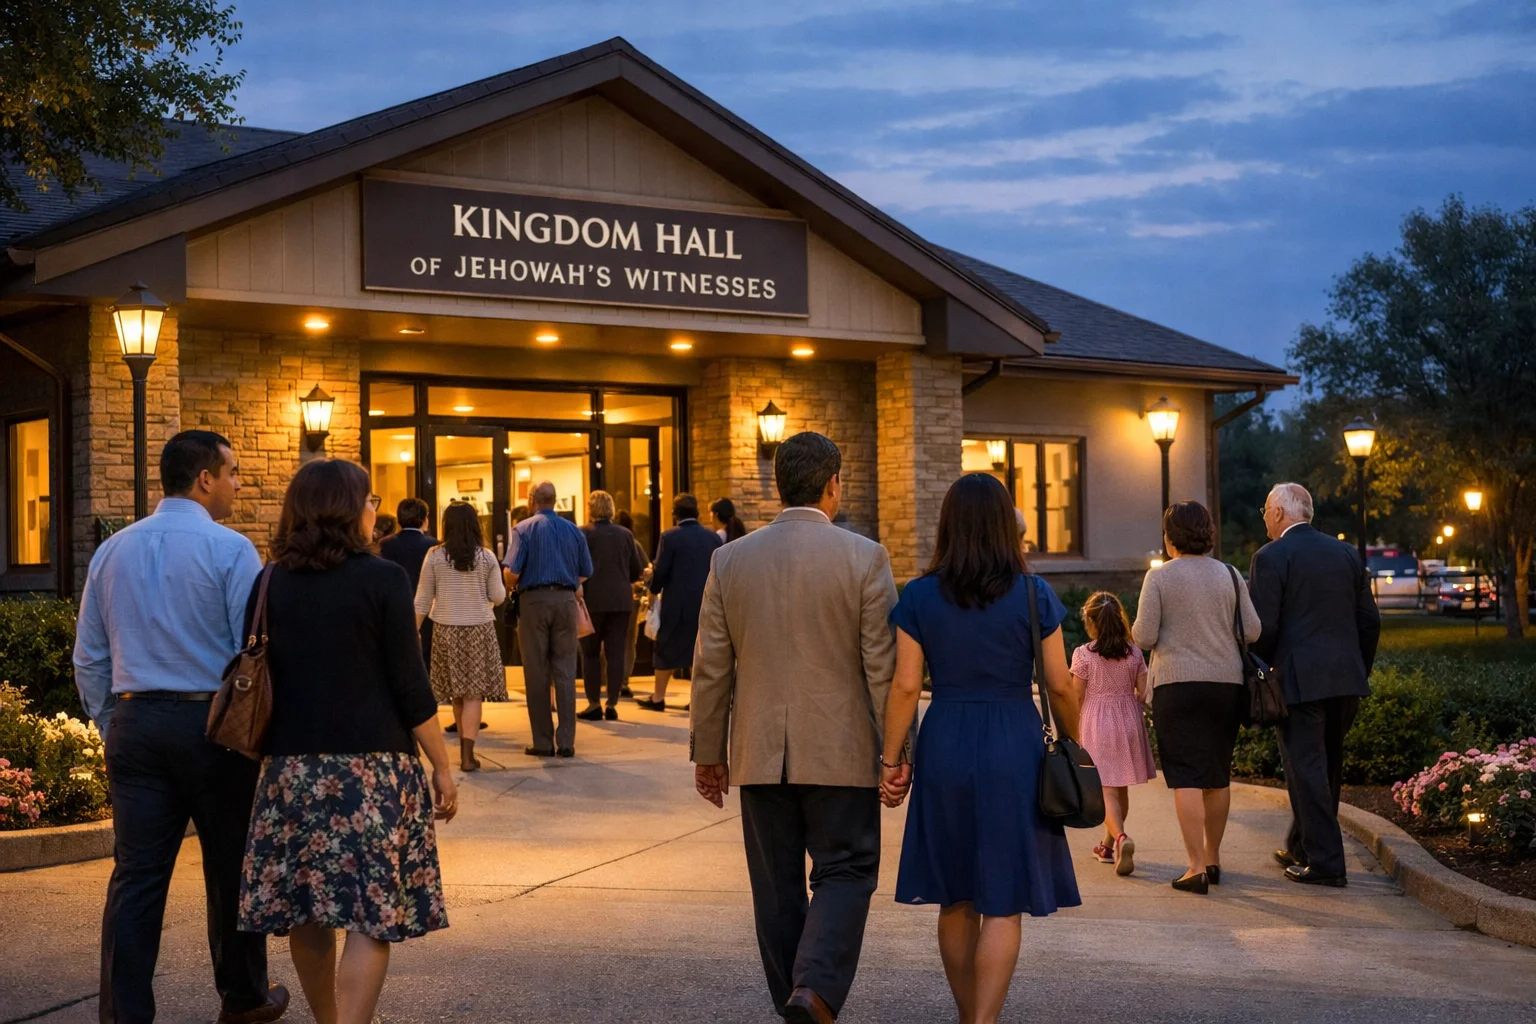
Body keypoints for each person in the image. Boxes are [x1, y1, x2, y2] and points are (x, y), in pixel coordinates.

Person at [73, 430, 288, 1024]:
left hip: (136, 722)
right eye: (234, 473)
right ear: (204, 479)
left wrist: (113, 720)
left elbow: (88, 655)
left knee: (136, 876)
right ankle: (244, 998)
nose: (239, 484)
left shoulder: (113, 550)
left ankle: (124, 1015)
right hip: (213, 725)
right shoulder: (231, 551)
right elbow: (251, 648)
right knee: (229, 867)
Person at [237, 458, 456, 1024]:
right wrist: (442, 764)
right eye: (370, 500)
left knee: (307, 912)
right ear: (349, 508)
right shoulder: (383, 579)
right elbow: (411, 685)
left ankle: (328, 1020)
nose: (374, 511)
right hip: (372, 770)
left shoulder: (269, 582)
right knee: (367, 914)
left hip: (290, 770)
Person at [690, 432, 897, 1024]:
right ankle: (814, 991)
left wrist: (709, 752)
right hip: (843, 749)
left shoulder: (730, 559)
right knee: (848, 869)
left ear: (780, 484)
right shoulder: (865, 557)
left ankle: (799, 1001)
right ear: (834, 484)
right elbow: (881, 667)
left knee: (777, 890)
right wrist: (895, 750)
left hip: (758, 751)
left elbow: (711, 667)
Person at [880, 473, 1082, 1024]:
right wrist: (1075, 741)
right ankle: (982, 1022)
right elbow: (1060, 683)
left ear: (948, 526)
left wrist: (892, 759)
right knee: (1003, 897)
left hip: (945, 738)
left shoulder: (919, 595)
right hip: (1014, 742)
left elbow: (904, 685)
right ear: (1002, 527)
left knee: (955, 894)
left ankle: (966, 1012)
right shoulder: (1034, 594)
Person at [1250, 482, 1381, 886]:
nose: (1265, 520)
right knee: (1326, 767)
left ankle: (1326, 863)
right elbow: (1370, 620)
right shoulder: (1346, 553)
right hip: (1345, 678)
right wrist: (1358, 666)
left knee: (1305, 769)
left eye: (1265, 512)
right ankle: (1302, 845)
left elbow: (1264, 627)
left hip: (1299, 679)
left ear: (1277, 513)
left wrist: (1264, 668)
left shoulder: (1271, 556)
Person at [1132, 501, 1260, 894]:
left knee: (1186, 775)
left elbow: (1144, 636)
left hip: (1177, 685)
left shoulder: (1159, 578)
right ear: (1208, 533)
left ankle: (1194, 867)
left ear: (1170, 538)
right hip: (1226, 685)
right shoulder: (1230, 574)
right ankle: (1214, 858)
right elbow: (1252, 630)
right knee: (1217, 774)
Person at [415, 502, 508, 771]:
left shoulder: (434, 555)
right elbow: (498, 597)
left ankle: (464, 755)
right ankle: (468, 755)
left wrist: (413, 631)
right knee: (473, 695)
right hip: (479, 629)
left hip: (446, 630)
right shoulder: (487, 557)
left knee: (457, 693)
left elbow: (422, 599)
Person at [1072, 591, 1155, 876]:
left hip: (1097, 722)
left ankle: (1120, 838)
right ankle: (1108, 846)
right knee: (1120, 787)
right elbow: (1144, 693)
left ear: (1091, 624)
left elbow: (1076, 697)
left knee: (1105, 788)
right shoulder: (1133, 653)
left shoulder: (1083, 654)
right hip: (1128, 721)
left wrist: (1071, 732)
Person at [508, 481, 592, 758]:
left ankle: (543, 741)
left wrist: (509, 585)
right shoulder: (574, 531)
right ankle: (567, 741)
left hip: (533, 601)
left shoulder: (523, 529)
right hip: (567, 601)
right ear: (556, 501)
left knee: (536, 671)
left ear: (532, 500)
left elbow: (513, 572)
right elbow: (586, 571)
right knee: (566, 671)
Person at [635, 494, 721, 711]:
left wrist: (653, 589)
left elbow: (661, 571)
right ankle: (698, 700)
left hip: (676, 604)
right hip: (705, 603)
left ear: (675, 514)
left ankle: (658, 698)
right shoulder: (712, 538)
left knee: (665, 648)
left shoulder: (669, 537)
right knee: (698, 651)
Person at [577, 491, 645, 722]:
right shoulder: (625, 534)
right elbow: (636, 570)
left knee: (590, 653)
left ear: (590, 509)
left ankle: (593, 702)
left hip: (591, 601)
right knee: (616, 652)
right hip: (620, 601)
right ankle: (613, 702)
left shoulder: (582, 533)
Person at [379, 497, 438, 671]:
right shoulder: (434, 545)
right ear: (424, 518)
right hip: (427, 608)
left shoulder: (385, 544)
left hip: (394, 604)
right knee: (425, 655)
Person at [614, 509, 647, 695]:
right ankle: (624, 681)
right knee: (628, 641)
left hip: (604, 597)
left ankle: (610, 678)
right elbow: (642, 570)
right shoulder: (634, 544)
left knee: (607, 641)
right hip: (629, 596)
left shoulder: (602, 542)